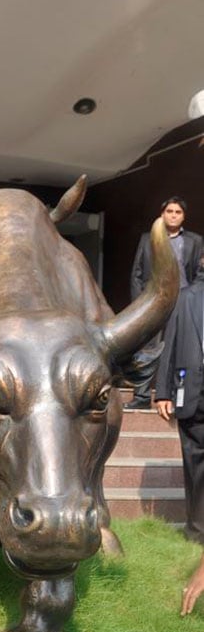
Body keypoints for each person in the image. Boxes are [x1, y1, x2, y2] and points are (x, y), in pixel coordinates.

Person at [126, 197, 202, 409]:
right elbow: (137, 274)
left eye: (178, 212)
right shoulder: (147, 239)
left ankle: (177, 396)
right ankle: (141, 397)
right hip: (153, 303)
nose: (173, 215)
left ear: (183, 216)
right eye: (170, 211)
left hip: (183, 303)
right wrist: (139, 304)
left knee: (179, 348)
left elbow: (198, 274)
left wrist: (193, 301)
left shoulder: (194, 241)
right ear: (162, 213)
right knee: (146, 349)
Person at [154, 269, 204, 544]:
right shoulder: (185, 298)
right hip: (193, 394)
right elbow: (169, 344)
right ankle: (196, 530)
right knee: (195, 464)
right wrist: (163, 392)